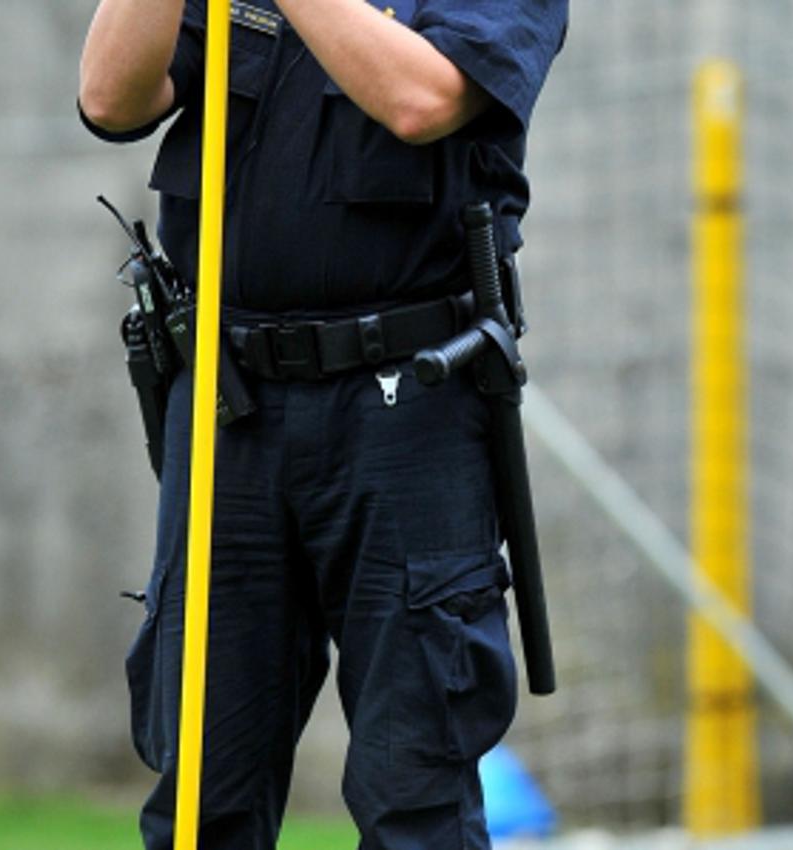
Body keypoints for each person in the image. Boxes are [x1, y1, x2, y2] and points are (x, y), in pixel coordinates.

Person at [78, 1, 567, 847]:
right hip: (232, 409)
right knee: (200, 799)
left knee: (414, 798)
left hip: (410, 411)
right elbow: (112, 99)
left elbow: (423, 100)